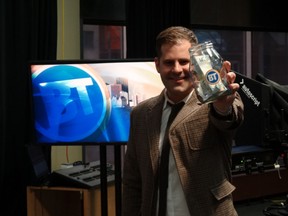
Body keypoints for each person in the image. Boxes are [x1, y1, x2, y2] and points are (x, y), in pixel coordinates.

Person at [122, 26, 244, 216]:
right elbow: (132, 181)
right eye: (169, 62)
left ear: (195, 64)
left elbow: (228, 117)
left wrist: (222, 105)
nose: (177, 70)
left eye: (184, 62)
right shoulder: (140, 114)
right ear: (157, 64)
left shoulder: (216, 102)